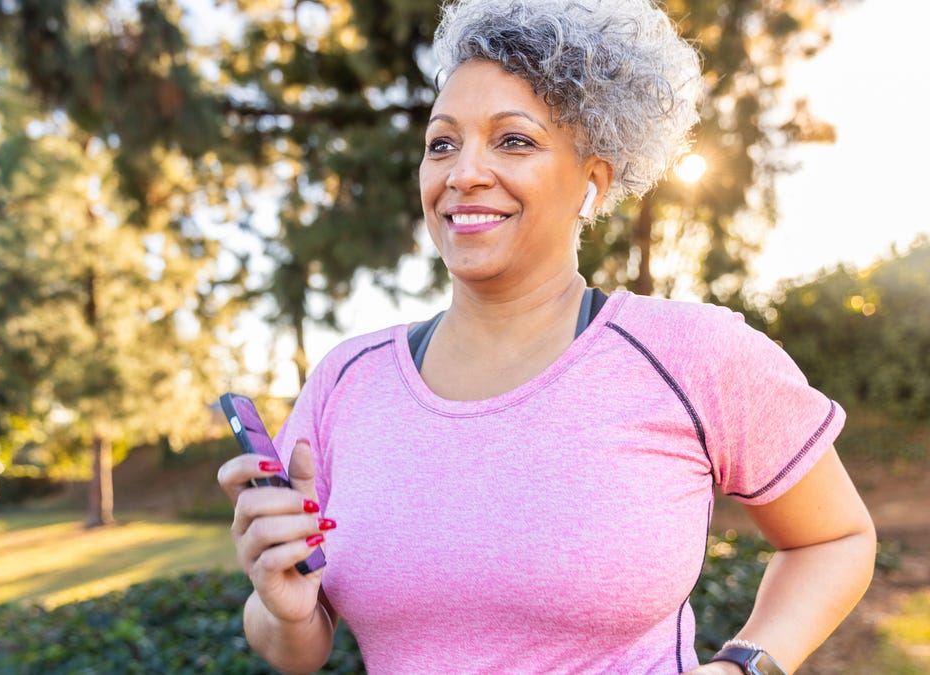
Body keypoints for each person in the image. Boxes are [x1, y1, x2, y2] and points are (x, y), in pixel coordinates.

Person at [216, 0, 876, 672]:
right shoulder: (347, 381)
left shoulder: (692, 354)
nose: (463, 173)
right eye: (442, 143)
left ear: (593, 182)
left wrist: (745, 667)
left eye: (513, 141)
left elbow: (835, 538)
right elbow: (297, 644)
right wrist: (282, 606)